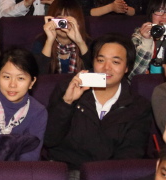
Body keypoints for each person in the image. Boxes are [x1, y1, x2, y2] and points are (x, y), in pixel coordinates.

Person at [45, 34, 153, 167]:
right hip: (68, 169)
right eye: (101, 60)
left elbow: (130, 155)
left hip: (110, 173)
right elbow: (49, 140)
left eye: (115, 62)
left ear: (126, 67)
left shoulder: (138, 106)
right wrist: (66, 103)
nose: (106, 67)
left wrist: (100, 176)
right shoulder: (68, 88)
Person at [35, 0, 91, 75]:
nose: (64, 24)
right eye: (60, 20)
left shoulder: (88, 43)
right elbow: (38, 75)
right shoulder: (41, 42)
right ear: (51, 20)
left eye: (70, 20)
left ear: (78, 22)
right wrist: (49, 41)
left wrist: (80, 43)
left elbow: (94, 73)